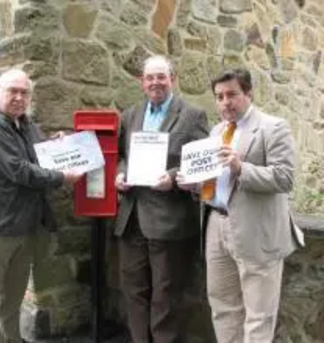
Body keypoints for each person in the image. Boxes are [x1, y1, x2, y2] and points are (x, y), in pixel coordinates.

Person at [179, 68, 301, 343]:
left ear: (248, 93)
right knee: (223, 308)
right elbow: (215, 182)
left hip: (257, 232)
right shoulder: (217, 130)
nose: (225, 102)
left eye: (232, 94)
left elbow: (284, 178)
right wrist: (194, 185)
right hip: (216, 227)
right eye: (219, 97)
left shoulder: (273, 127)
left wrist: (239, 167)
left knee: (259, 316)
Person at [0, 69, 82, 343]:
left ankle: (11, 339)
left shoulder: (23, 123)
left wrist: (56, 144)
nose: (18, 97)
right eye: (12, 91)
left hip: (21, 226)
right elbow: (19, 170)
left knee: (12, 297)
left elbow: (38, 152)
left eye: (24, 92)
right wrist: (62, 177)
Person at [114, 55, 209, 343]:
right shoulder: (130, 114)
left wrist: (173, 176)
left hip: (171, 221)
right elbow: (121, 157)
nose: (155, 82)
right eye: (149, 77)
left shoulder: (193, 115)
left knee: (166, 294)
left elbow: (201, 161)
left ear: (172, 79)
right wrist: (119, 176)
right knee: (133, 291)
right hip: (131, 220)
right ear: (142, 82)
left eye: (161, 76)